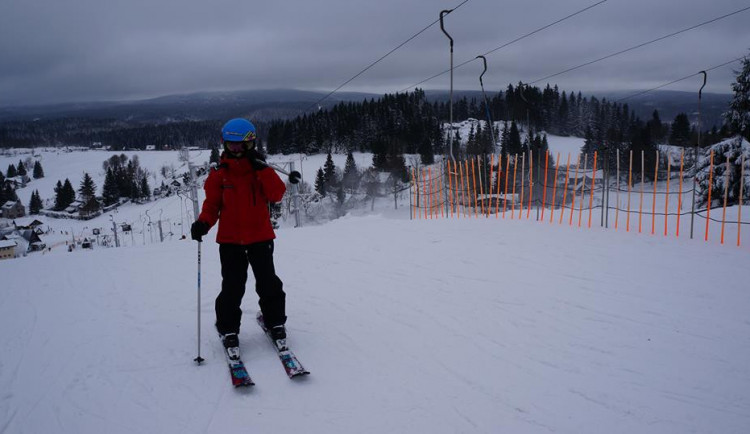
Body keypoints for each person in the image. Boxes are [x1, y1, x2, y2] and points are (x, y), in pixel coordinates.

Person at [190, 118, 288, 353]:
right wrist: (204, 223)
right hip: (230, 240)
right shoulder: (219, 175)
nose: (234, 149)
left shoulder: (261, 170)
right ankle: (228, 328)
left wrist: (262, 170)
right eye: (230, 144)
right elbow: (212, 205)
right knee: (233, 286)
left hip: (261, 238)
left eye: (239, 145)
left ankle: (275, 322)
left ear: (250, 144)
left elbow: (277, 195)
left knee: (268, 283)